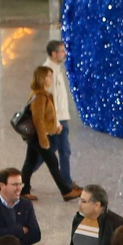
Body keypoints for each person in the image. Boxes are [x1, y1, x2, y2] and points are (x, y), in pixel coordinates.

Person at [21, 65, 81, 203]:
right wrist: (44, 140)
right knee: (52, 162)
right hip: (38, 136)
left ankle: (23, 190)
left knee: (30, 162)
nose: (51, 79)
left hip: (36, 135)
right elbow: (38, 120)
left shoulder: (40, 93)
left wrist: (55, 126)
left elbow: (47, 117)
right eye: (48, 76)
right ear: (42, 78)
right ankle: (66, 191)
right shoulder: (40, 96)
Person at [44, 39, 78, 187]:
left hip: (61, 117)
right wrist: (56, 122)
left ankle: (26, 174)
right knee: (64, 151)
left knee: (49, 151)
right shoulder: (48, 72)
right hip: (57, 120)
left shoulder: (57, 69)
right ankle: (67, 182)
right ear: (54, 54)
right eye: (62, 51)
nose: (65, 54)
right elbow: (50, 100)